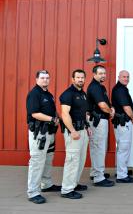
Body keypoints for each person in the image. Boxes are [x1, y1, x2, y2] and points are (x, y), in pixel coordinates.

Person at [26, 70, 60, 204]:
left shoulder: (48, 94)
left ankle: (46, 184)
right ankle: (33, 192)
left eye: (47, 78)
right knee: (37, 161)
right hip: (39, 133)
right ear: (36, 79)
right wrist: (52, 118)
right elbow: (34, 113)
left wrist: (58, 117)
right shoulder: (34, 94)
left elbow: (52, 110)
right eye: (42, 78)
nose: (45, 80)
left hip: (50, 132)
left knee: (48, 159)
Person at [59, 69, 91, 199]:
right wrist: (72, 131)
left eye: (82, 77)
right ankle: (66, 189)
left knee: (81, 159)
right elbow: (64, 114)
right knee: (72, 160)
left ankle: (74, 183)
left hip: (83, 130)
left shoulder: (83, 94)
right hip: (74, 132)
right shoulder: (68, 94)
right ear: (73, 79)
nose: (80, 80)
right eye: (78, 77)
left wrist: (87, 126)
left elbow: (84, 113)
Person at [87, 65, 115, 187]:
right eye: (100, 73)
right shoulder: (94, 87)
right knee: (99, 148)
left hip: (100, 120)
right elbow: (102, 105)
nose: (103, 75)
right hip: (97, 121)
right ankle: (99, 177)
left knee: (96, 148)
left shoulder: (100, 87)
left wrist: (111, 108)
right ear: (94, 74)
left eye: (104, 73)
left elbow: (107, 103)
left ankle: (95, 172)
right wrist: (111, 112)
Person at [111, 70, 133, 183]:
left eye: (127, 77)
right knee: (124, 148)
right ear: (119, 77)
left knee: (122, 148)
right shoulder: (120, 90)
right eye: (124, 77)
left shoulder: (120, 89)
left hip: (121, 123)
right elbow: (126, 107)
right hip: (123, 122)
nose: (126, 79)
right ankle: (122, 175)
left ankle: (122, 170)